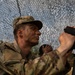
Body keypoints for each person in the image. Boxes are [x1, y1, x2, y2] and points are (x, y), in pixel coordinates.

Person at [0, 16, 75, 75]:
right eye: (33, 29)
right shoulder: (4, 50)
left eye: (38, 30)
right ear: (20, 33)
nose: (39, 33)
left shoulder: (32, 57)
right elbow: (25, 72)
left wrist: (66, 53)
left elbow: (45, 71)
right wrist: (62, 48)